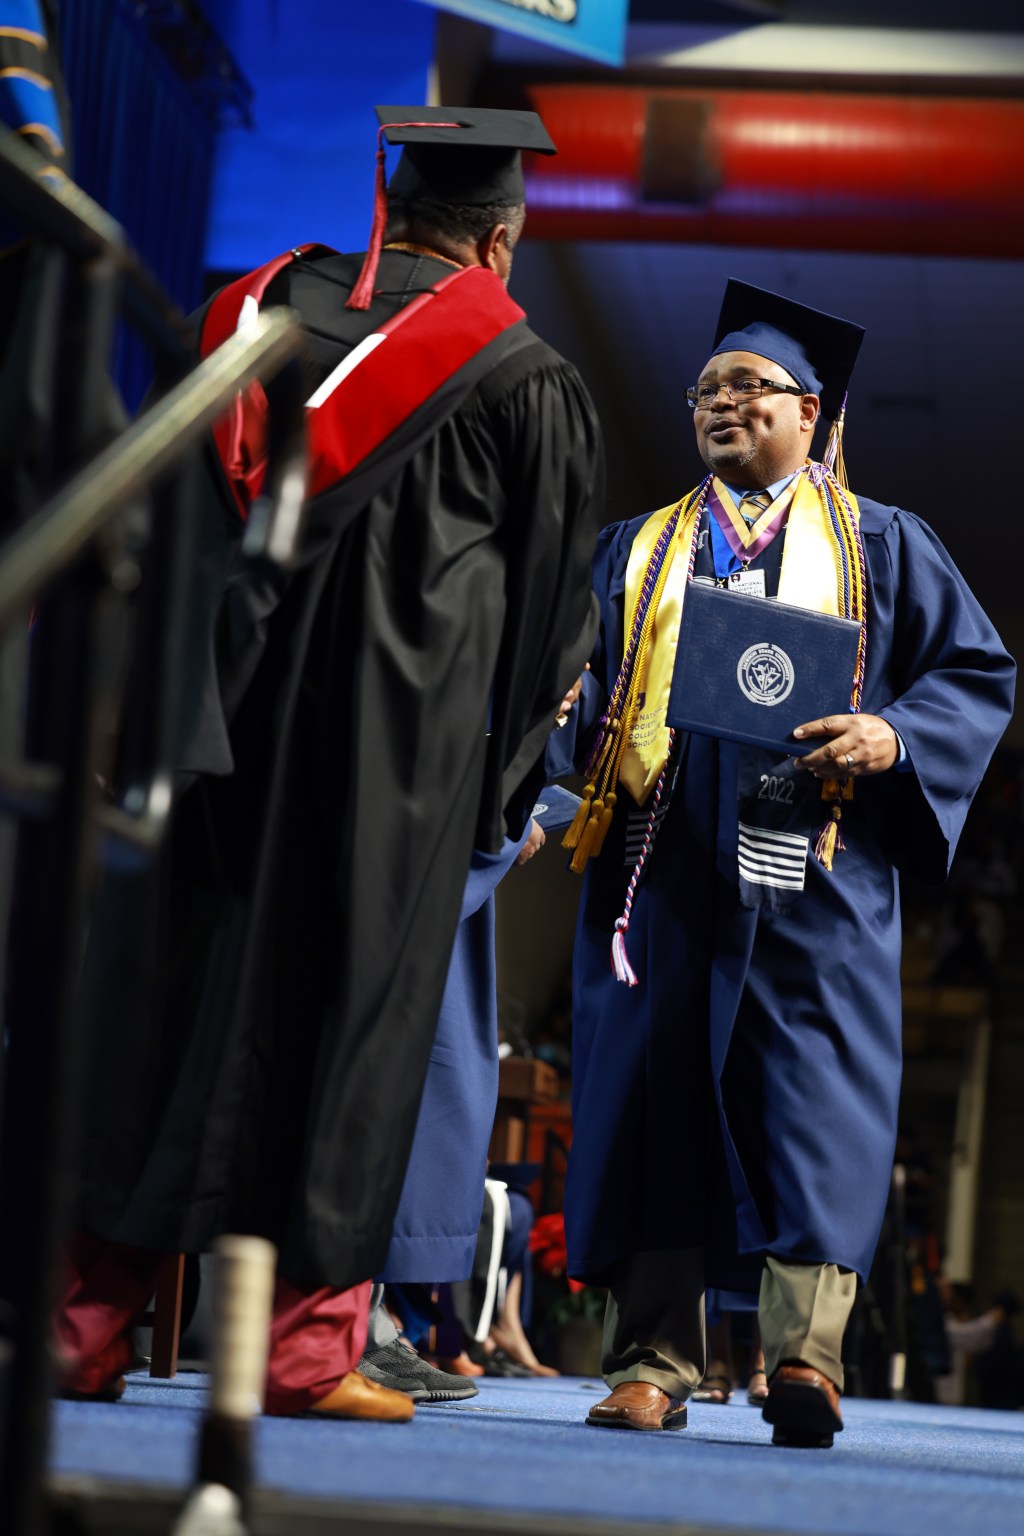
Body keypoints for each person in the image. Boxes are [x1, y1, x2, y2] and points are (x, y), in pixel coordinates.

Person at [55, 106, 603, 1419]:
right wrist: (503, 792)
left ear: (386, 206)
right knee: (348, 1026)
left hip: (205, 737)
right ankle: (303, 1351)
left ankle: (80, 1325)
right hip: (389, 773)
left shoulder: (255, 317)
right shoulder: (521, 371)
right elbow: (545, 624)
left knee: (163, 1008)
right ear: (498, 242)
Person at [550, 279, 1014, 1447]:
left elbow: (972, 676)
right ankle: (653, 1360)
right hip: (664, 873)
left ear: (813, 413)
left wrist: (894, 734)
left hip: (816, 863)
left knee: (815, 1103)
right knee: (657, 1104)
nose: (720, 405)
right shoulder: (636, 551)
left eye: (748, 389)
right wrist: (564, 719)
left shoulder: (883, 547)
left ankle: (805, 1362)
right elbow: (582, 693)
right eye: (706, 389)